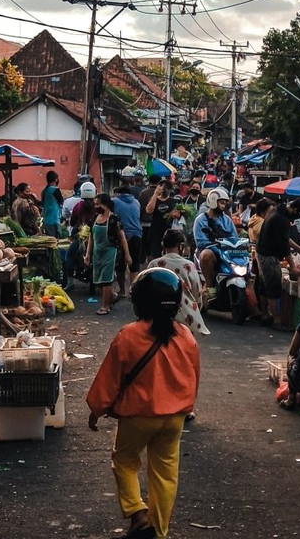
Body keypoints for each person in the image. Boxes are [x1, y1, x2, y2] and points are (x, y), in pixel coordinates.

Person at [86, 269, 201, 539]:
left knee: (124, 461)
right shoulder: (185, 335)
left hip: (138, 415)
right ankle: (159, 531)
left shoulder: (129, 335)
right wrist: (187, 406)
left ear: (140, 302)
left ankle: (138, 513)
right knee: (165, 473)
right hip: (175, 417)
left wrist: (96, 409)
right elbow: (193, 376)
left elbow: (110, 378)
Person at [146, 229, 210, 337]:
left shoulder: (153, 264)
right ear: (181, 246)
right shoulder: (189, 266)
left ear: (163, 245)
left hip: (156, 315)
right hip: (184, 319)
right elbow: (197, 294)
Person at [256, 202, 300, 327]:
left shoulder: (276, 211)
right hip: (269, 256)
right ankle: (276, 320)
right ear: (295, 209)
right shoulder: (281, 219)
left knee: (264, 286)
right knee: (273, 288)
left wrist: (299, 249)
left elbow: (285, 238)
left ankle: (265, 315)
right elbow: (284, 245)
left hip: (262, 253)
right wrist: (292, 266)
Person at [86, 193, 131, 316]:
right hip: (97, 253)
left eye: (98, 204)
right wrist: (88, 254)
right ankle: (112, 296)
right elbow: (91, 237)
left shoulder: (113, 219)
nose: (96, 206)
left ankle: (105, 306)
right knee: (98, 280)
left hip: (110, 252)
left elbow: (122, 237)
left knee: (106, 280)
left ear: (105, 205)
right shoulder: (95, 218)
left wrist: (127, 255)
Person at [192, 188, 239, 289]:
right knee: (206, 255)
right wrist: (218, 248)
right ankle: (210, 287)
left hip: (227, 253)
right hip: (211, 253)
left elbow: (235, 238)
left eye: (225, 204)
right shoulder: (200, 220)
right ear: (213, 201)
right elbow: (201, 243)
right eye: (221, 203)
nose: (223, 206)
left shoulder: (227, 220)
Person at [113, 185, 143, 295]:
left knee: (120, 266)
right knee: (134, 266)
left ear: (118, 193)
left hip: (122, 235)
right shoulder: (136, 202)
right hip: (137, 235)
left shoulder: (114, 201)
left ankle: (122, 290)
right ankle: (133, 290)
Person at [144, 179, 178, 263]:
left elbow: (179, 215)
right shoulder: (154, 199)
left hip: (169, 232)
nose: (165, 189)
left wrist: (176, 215)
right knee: (156, 257)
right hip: (155, 233)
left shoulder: (173, 201)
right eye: (163, 187)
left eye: (167, 187)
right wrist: (155, 194)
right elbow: (149, 210)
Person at [40, 171, 65, 238]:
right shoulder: (55, 189)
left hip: (47, 219)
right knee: (56, 240)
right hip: (54, 219)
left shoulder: (44, 190)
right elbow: (61, 201)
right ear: (56, 179)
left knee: (50, 240)